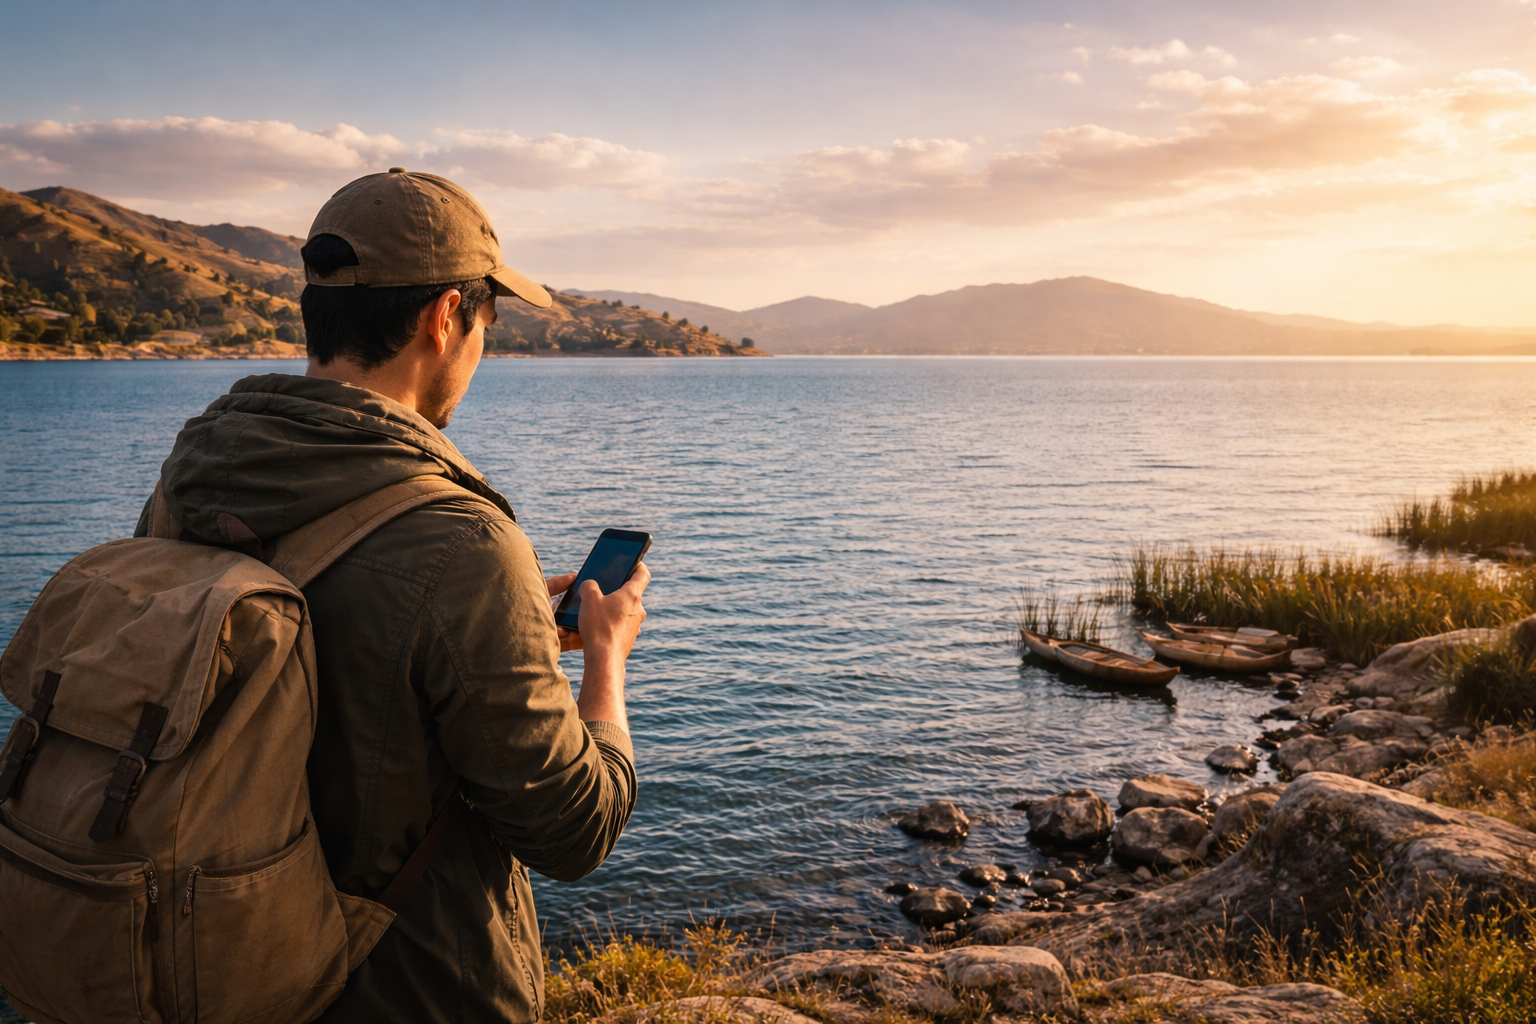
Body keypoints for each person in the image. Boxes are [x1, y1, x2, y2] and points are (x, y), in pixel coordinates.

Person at [137, 169, 646, 1022]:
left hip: (213, 971)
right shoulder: (461, 542)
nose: (482, 345)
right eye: (487, 320)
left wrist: (505, 633)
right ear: (445, 317)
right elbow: (575, 828)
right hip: (405, 991)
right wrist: (606, 658)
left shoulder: (186, 483)